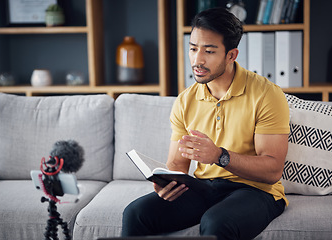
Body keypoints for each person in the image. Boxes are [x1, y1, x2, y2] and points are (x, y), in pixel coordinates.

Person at [122, 7, 290, 240]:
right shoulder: (185, 100)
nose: (197, 60)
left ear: (231, 55)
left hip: (257, 191)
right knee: (135, 213)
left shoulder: (266, 94)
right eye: (193, 49)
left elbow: (272, 170)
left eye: (209, 51)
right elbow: (178, 164)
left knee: (216, 222)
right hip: (205, 187)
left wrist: (219, 155)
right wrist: (167, 182)